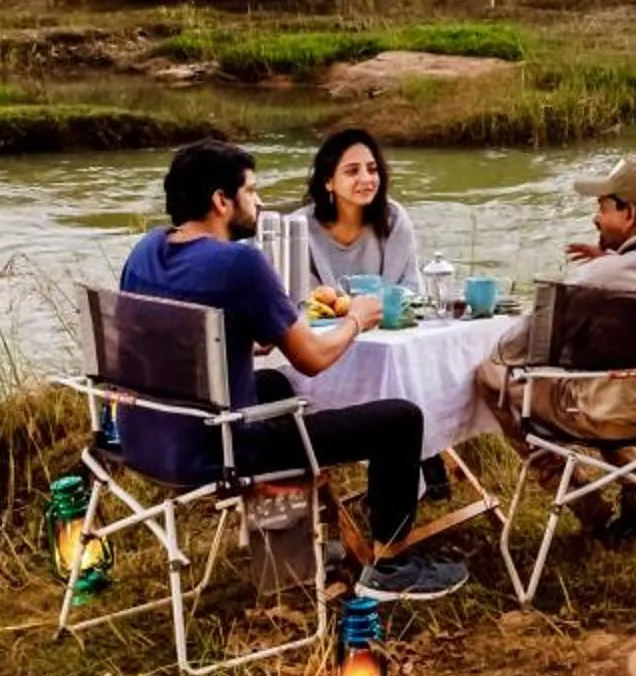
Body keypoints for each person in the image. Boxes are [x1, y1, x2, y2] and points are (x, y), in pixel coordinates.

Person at [120, 139, 467, 601]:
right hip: (216, 451)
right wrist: (356, 320)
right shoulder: (240, 261)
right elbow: (313, 359)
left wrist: (259, 331)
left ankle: (288, 544)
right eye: (251, 191)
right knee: (400, 419)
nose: (260, 204)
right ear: (221, 201)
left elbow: (197, 333)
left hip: (148, 435)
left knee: (276, 384)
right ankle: (391, 565)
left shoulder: (147, 248)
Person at [474, 155, 636, 539]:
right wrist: (614, 265)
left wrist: (601, 272)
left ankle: (581, 499)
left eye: (602, 208)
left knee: (489, 375)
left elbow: (511, 349)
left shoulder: (594, 279)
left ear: (629, 213)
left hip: (601, 415)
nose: (596, 219)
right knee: (614, 390)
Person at [299, 128, 424, 297]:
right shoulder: (298, 229)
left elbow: (411, 291)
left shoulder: (394, 220)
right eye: (352, 171)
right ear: (328, 181)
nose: (366, 179)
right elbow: (301, 302)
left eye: (372, 170)